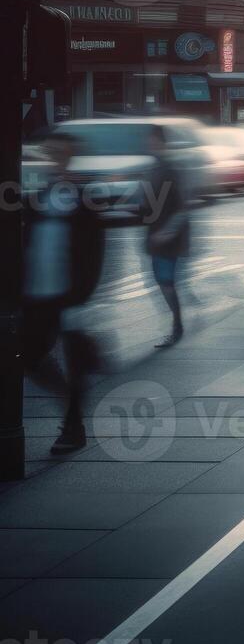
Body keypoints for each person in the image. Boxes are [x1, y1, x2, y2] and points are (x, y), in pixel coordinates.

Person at [22, 132, 105, 454]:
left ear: (71, 156)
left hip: (69, 296)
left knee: (75, 362)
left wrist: (83, 295)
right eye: (50, 152)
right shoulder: (39, 194)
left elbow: (94, 252)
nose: (54, 158)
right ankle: (66, 399)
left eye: (61, 152)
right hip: (36, 294)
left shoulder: (84, 199)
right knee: (27, 358)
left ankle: (74, 426)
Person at [146, 126, 190, 348]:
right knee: (162, 282)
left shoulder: (170, 170)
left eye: (153, 141)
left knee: (166, 282)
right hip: (157, 236)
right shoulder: (154, 168)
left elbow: (182, 206)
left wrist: (167, 232)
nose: (150, 145)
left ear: (162, 143)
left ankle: (177, 326)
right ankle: (177, 324)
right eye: (149, 142)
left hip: (167, 239)